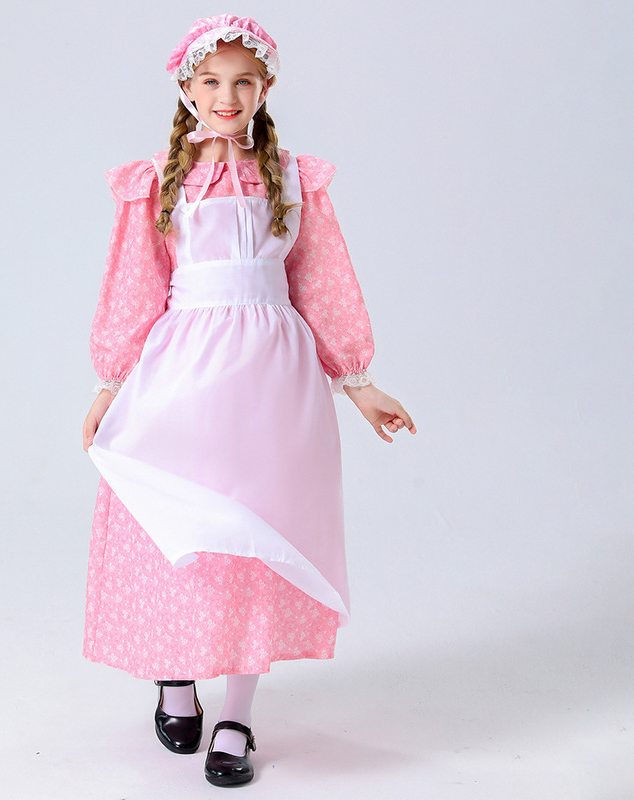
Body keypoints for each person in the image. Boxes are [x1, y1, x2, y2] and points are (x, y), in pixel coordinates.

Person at [81, 14, 416, 788]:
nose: (226, 96)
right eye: (210, 81)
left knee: (258, 536)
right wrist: (109, 383)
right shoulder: (159, 181)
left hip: (272, 383)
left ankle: (237, 712)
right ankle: (174, 673)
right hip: (183, 377)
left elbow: (322, 283)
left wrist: (358, 382)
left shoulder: (292, 179)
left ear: (266, 88)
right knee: (177, 525)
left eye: (242, 81)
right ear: (186, 88)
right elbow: (134, 287)